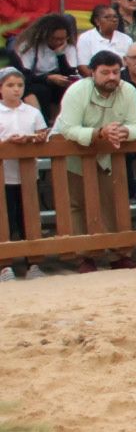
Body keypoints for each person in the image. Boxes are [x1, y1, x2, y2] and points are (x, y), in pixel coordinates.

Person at [53, 50, 136, 272]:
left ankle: (119, 253)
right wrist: (98, 133)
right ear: (92, 73)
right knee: (77, 204)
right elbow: (68, 128)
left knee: (111, 202)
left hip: (107, 155)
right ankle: (83, 256)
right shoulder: (77, 91)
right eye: (105, 73)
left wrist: (124, 132)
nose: (112, 77)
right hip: (74, 151)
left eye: (115, 72)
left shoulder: (128, 90)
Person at [0, 66, 48, 281]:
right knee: (5, 219)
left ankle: (33, 263)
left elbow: (43, 133)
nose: (15, 90)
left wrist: (35, 139)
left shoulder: (32, 111)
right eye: (10, 85)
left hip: (28, 175)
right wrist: (8, 143)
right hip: (4, 176)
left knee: (29, 219)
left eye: (19, 85)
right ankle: (5, 265)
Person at [15, 13, 79, 123]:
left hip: (57, 80)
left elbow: (69, 72)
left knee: (67, 89)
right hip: (34, 80)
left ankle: (59, 123)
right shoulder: (29, 46)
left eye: (62, 39)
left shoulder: (68, 46)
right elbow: (25, 75)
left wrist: (60, 55)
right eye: (55, 39)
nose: (59, 42)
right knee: (41, 90)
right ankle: (41, 122)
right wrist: (47, 78)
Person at [76, 4, 133, 71]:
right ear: (97, 21)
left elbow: (131, 64)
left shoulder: (126, 39)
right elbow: (82, 67)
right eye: (107, 17)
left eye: (115, 17)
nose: (114, 20)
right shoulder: (85, 38)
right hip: (93, 79)